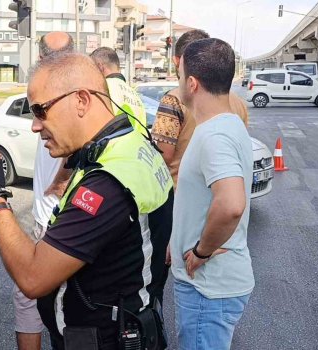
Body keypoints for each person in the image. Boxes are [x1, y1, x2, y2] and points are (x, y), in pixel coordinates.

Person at [0, 52, 173, 349]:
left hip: (104, 339)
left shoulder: (108, 183)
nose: (35, 126)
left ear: (81, 100)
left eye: (40, 111)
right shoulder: (129, 143)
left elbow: (33, 277)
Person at [171, 38, 254, 350]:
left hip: (208, 288)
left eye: (179, 76)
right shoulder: (228, 123)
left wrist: (202, 250)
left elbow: (231, 204)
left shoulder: (215, 135)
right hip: (213, 286)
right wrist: (177, 239)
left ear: (192, 83)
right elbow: (203, 198)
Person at [91, 46, 174, 308]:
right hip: (144, 170)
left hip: (121, 176)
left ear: (101, 69)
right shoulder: (132, 92)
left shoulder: (105, 91)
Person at [12, 31, 75, 350]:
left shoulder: (65, 97)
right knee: (53, 301)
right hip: (51, 217)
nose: (37, 126)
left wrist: (62, 179)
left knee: (33, 292)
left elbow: (83, 143)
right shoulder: (71, 91)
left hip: (59, 221)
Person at [151, 29, 249, 187]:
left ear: (178, 61)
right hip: (217, 192)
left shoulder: (174, 100)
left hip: (178, 193)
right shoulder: (238, 103)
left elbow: (163, 156)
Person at [90, 46, 147, 133]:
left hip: (111, 146)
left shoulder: (102, 89)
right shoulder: (134, 93)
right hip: (138, 145)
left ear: (100, 67)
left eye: (92, 68)